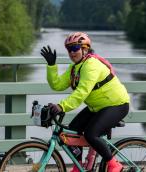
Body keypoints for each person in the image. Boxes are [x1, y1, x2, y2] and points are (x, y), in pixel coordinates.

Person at [40, 32, 130, 172]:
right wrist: (51, 66)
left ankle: (114, 164)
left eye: (75, 48)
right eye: (69, 49)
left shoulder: (91, 65)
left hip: (116, 104)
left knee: (91, 134)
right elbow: (57, 85)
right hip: (97, 107)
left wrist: (61, 106)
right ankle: (78, 167)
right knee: (71, 133)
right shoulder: (75, 68)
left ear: (85, 49)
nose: (71, 52)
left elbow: (81, 92)